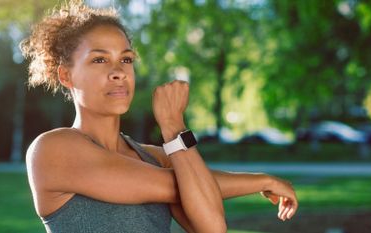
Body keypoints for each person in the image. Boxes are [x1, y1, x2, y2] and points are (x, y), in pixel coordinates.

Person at [21, 1, 298, 232]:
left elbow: (212, 227)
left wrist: (175, 133)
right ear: (65, 75)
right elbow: (175, 185)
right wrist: (173, 125)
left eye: (126, 59)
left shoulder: (157, 158)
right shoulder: (52, 151)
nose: (119, 71)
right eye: (100, 59)